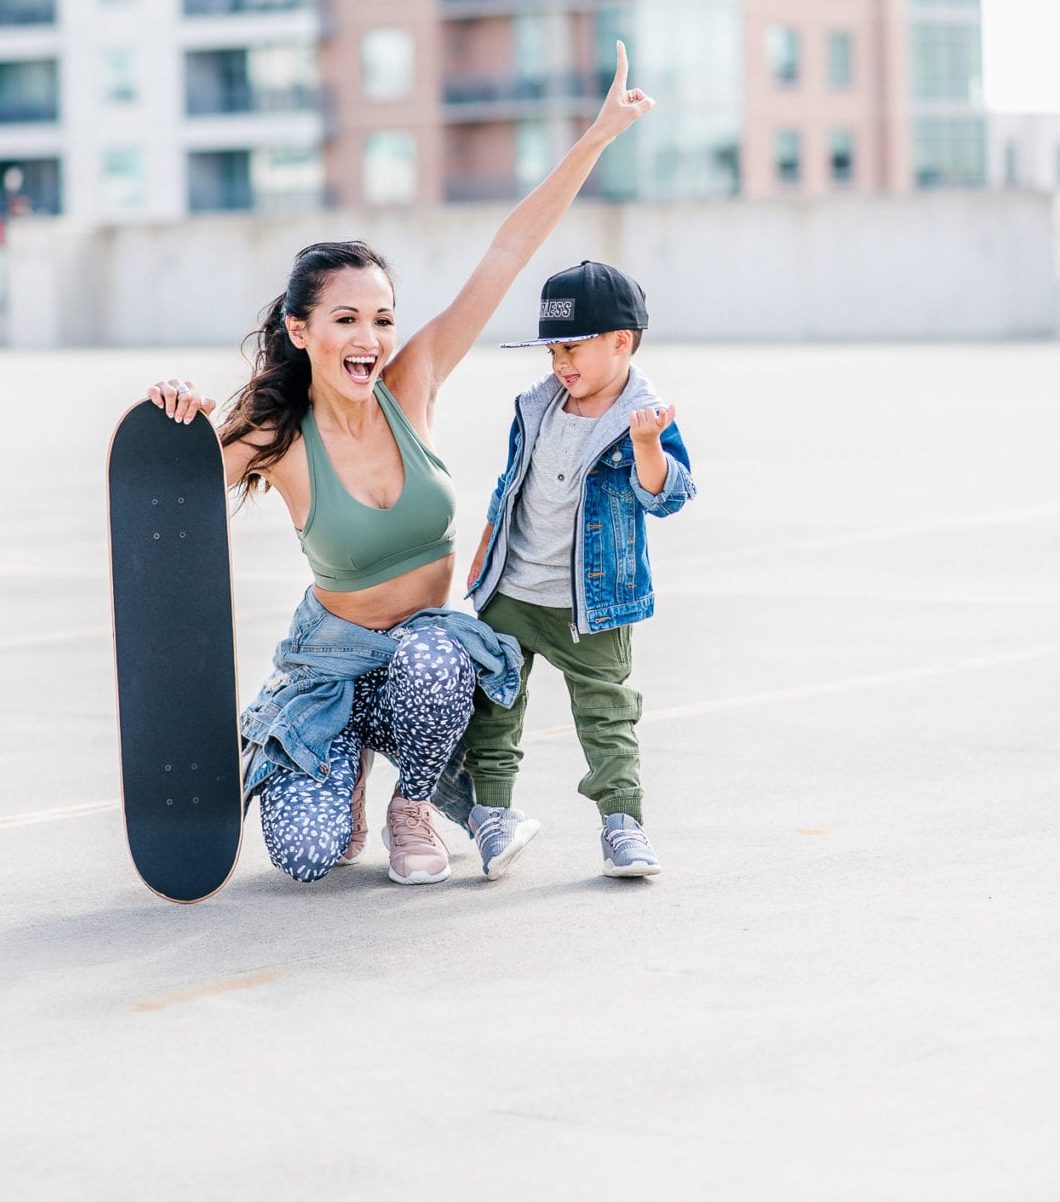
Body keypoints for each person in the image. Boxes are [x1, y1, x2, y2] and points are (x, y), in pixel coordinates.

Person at [148, 44, 654, 887]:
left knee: (439, 654)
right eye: (346, 319)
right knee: (308, 858)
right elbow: (170, 492)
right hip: (331, 666)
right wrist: (174, 415)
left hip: (422, 663)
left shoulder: (411, 383)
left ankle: (411, 803)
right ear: (301, 330)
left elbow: (505, 254)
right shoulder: (276, 433)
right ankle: (333, 770)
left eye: (382, 318)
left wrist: (596, 138)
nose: (371, 339)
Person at [458, 259, 696, 881]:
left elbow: (666, 496)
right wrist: (486, 549)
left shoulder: (644, 418)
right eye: (552, 349)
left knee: (606, 713)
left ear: (621, 342)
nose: (560, 363)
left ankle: (623, 826)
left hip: (593, 604)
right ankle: (493, 815)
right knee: (496, 706)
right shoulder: (537, 406)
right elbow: (511, 486)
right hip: (512, 590)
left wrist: (647, 446)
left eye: (573, 347)